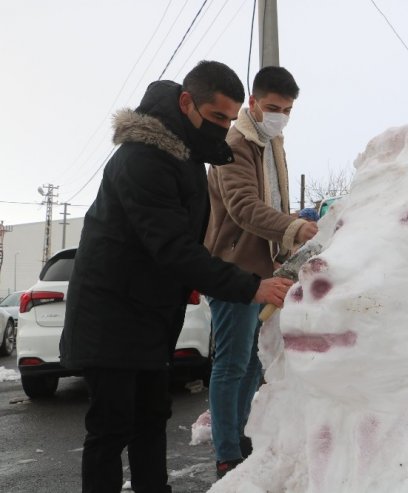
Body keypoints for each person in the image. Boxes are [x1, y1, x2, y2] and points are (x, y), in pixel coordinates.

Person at [59, 60, 293, 493]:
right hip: (108, 315)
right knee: (111, 428)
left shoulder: (184, 156)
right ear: (187, 103)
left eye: (229, 118)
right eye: (218, 117)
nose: (224, 128)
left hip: (147, 314)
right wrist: (249, 285)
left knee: (152, 418)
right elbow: (175, 249)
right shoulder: (143, 160)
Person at [204, 65, 318, 478]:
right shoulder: (236, 143)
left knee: (252, 364)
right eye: (273, 107)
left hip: (263, 270)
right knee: (232, 364)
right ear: (252, 102)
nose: (280, 115)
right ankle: (227, 452)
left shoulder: (273, 143)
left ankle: (243, 438)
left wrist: (292, 227)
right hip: (234, 268)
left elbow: (268, 204)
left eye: (287, 109)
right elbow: (244, 207)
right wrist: (292, 227)